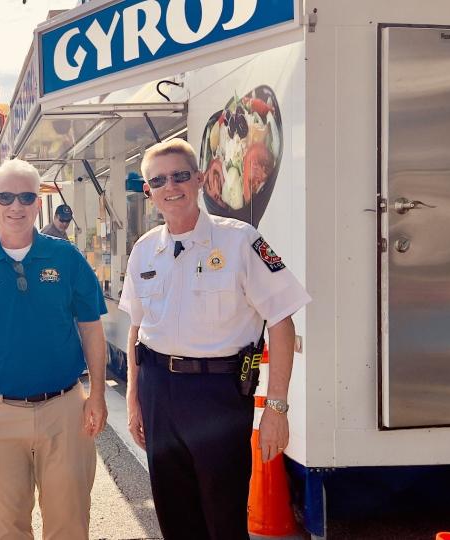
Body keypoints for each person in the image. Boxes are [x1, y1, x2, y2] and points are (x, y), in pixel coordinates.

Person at [119, 139, 310, 540]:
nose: (171, 186)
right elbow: (137, 329)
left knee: (222, 515)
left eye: (180, 175)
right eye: (159, 179)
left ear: (200, 179)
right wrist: (135, 399)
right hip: (159, 392)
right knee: (173, 513)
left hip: (218, 394)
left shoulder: (241, 241)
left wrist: (276, 408)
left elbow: (281, 320)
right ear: (149, 192)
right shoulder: (143, 251)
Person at [0, 158, 108, 540]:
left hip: (64, 410)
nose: (16, 205)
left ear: (38, 201)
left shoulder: (67, 258)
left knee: (70, 524)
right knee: (5, 529)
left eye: (26, 196)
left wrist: (97, 393)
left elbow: (92, 329)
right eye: (6, 196)